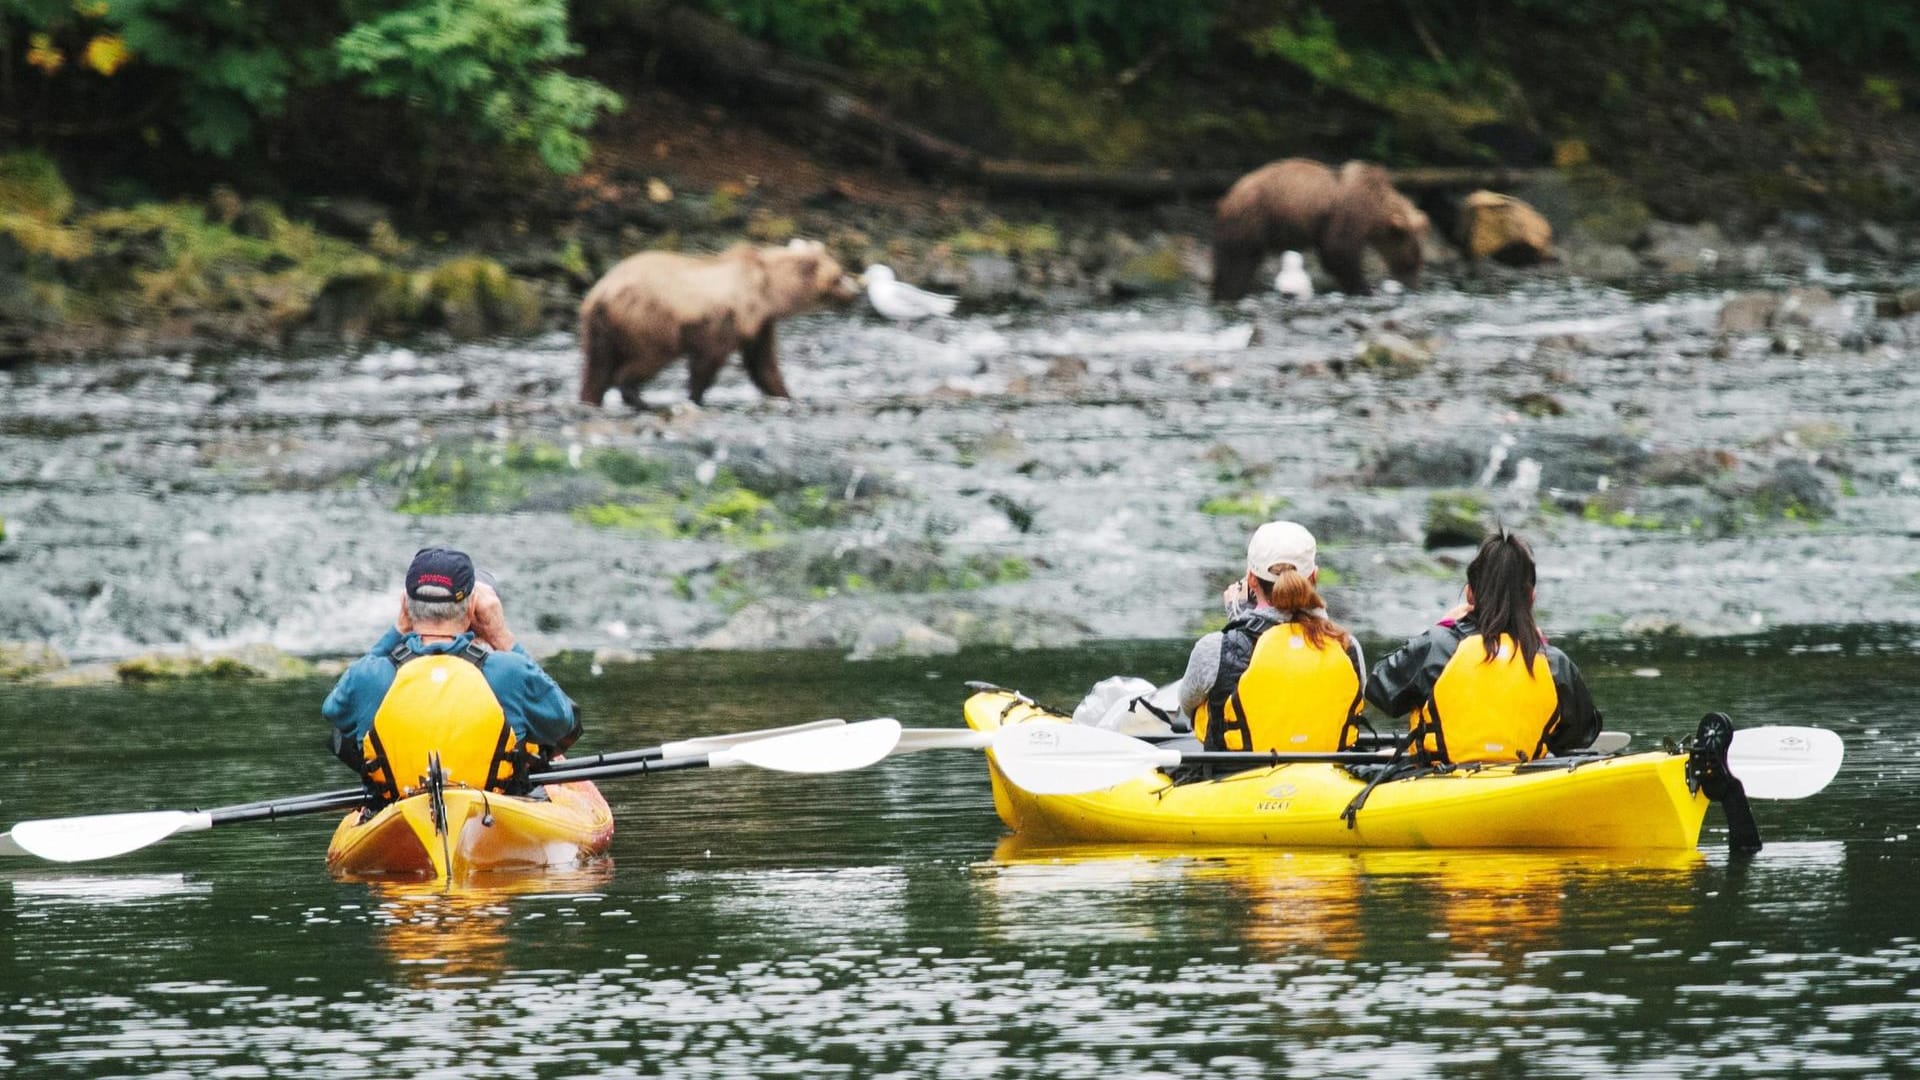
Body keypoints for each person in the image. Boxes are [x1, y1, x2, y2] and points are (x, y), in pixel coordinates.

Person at [322, 547, 580, 803]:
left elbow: (335, 712)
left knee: (347, 728)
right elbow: (565, 721)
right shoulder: (510, 671)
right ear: (471, 609)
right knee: (533, 730)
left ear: (406, 607)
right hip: (494, 808)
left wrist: (396, 632)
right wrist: (500, 636)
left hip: (402, 806)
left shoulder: (368, 676)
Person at [1367, 530, 1600, 763]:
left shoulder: (1438, 645)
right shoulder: (1553, 663)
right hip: (1521, 782)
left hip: (1437, 780)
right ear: (1531, 596)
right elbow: (1581, 734)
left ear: (1470, 593)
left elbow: (1379, 690)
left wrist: (1442, 625)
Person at [1175, 521, 1367, 753]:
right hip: (1327, 781)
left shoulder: (1215, 648)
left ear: (1251, 580)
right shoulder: (1347, 646)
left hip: (1237, 779)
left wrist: (1239, 620)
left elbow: (1188, 706)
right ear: (1314, 577)